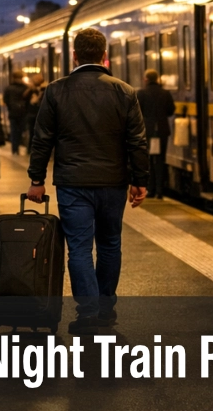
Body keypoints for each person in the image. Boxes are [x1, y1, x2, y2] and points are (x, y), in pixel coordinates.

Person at [27, 28, 149, 335]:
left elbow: (42, 139)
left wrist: (37, 179)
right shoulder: (124, 91)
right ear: (105, 55)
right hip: (113, 182)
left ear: (74, 56)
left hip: (73, 182)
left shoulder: (56, 91)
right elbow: (137, 142)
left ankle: (88, 312)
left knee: (79, 249)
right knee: (110, 244)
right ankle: (105, 309)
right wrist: (140, 180)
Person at [136, 69, 175, 199]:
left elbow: (137, 113)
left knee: (148, 161)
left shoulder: (141, 94)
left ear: (146, 79)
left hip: (147, 131)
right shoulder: (165, 93)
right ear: (157, 79)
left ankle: (150, 189)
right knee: (160, 160)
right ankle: (160, 191)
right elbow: (170, 111)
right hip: (162, 131)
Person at [3, 70, 29, 156]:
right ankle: (16, 148)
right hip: (22, 113)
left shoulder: (8, 88)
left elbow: (5, 100)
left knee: (14, 131)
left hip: (13, 113)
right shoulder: (25, 88)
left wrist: (10, 107)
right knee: (20, 131)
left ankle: (15, 149)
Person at [24, 75, 47, 153]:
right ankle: (31, 149)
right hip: (34, 114)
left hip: (34, 114)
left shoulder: (43, 90)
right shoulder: (31, 90)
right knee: (33, 132)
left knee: (33, 132)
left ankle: (31, 149)